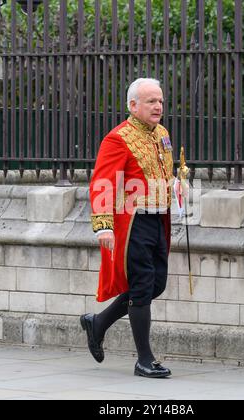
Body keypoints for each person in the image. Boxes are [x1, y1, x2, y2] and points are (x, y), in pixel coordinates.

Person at [80, 78, 175, 378]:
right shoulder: (117, 138)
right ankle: (144, 359)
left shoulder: (162, 133)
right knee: (144, 285)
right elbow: (102, 182)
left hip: (158, 219)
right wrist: (103, 226)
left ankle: (97, 324)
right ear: (133, 106)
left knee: (155, 284)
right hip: (132, 224)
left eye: (159, 100)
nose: (158, 106)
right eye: (151, 101)